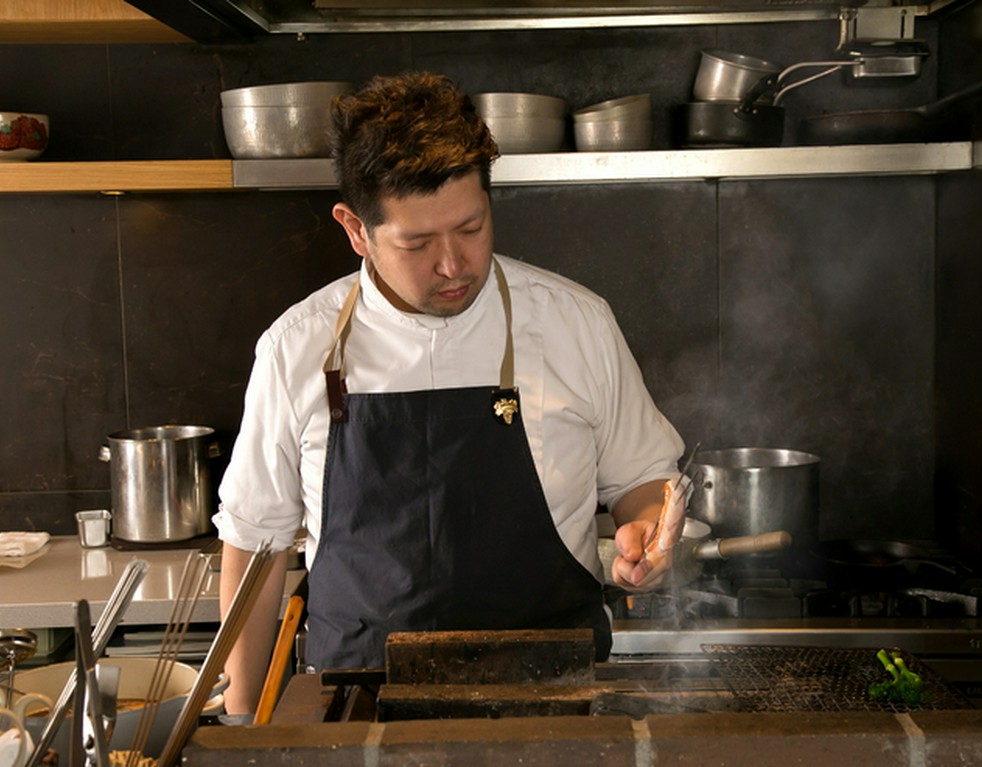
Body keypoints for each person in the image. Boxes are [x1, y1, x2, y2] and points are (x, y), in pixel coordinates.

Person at [214, 71, 687, 714]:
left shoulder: (575, 322)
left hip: (552, 708)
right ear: (356, 229)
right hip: (358, 710)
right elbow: (256, 548)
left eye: (471, 228)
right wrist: (244, 724)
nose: (453, 264)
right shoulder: (296, 348)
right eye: (418, 242)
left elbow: (643, 481)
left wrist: (646, 533)